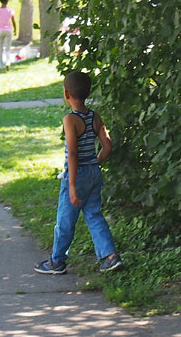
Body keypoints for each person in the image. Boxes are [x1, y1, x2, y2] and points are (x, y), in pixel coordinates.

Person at [35, 71, 122, 274]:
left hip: (77, 175)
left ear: (66, 94)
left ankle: (56, 261)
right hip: (93, 173)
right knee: (93, 215)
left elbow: (72, 153)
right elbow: (107, 146)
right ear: (88, 93)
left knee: (65, 219)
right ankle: (110, 256)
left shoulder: (70, 120)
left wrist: (72, 185)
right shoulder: (95, 117)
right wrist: (94, 162)